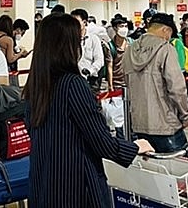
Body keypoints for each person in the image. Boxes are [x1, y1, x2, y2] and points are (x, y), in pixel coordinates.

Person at [23, 13, 154, 207]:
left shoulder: (34, 86)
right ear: (67, 45)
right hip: (76, 187)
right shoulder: (73, 84)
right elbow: (101, 141)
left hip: (43, 184)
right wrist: (135, 147)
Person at [124, 13, 188, 152]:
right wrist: (185, 114)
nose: (169, 38)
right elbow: (177, 88)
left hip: (139, 123)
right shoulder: (166, 49)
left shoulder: (130, 50)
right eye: (170, 34)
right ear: (165, 30)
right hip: (166, 124)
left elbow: (127, 83)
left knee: (151, 170)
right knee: (177, 168)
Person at [71, 9, 104, 91]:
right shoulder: (69, 39)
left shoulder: (93, 39)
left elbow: (99, 60)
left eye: (76, 22)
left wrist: (90, 71)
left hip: (90, 81)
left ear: (84, 22)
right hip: (73, 80)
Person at [0, 15, 30, 86]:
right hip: (7, 70)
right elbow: (10, 59)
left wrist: (20, 56)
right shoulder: (8, 40)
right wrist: (21, 52)